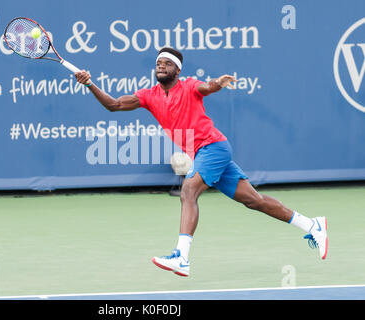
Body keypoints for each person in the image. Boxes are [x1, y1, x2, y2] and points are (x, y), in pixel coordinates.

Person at [74, 47, 328, 277]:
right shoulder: (148, 96)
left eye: (166, 63)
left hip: (213, 147)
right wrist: (90, 84)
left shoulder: (188, 86)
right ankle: (312, 224)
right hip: (205, 153)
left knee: (188, 190)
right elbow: (114, 105)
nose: (160, 66)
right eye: (158, 63)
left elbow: (208, 86)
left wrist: (218, 82)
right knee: (254, 201)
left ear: (177, 70)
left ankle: (181, 257)